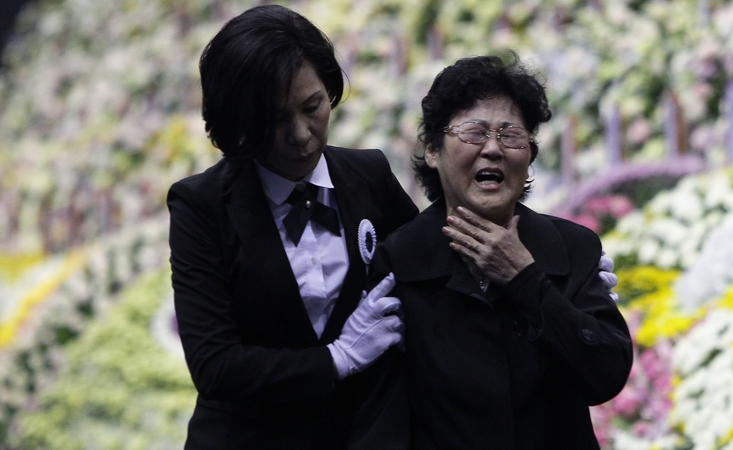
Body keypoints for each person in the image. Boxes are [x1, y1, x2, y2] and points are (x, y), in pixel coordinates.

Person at [167, 5, 418, 449]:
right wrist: (335, 359)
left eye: (312, 107)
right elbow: (215, 366)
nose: (301, 134)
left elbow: (428, 273)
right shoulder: (201, 206)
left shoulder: (370, 175)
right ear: (238, 121)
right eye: (275, 119)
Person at [371, 54, 633, 449]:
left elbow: (605, 374)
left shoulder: (570, 247)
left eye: (510, 135)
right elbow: (380, 416)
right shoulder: (399, 259)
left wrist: (525, 280)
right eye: (474, 132)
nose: (493, 148)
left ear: (528, 156)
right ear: (432, 150)